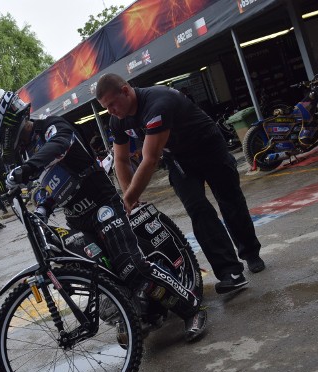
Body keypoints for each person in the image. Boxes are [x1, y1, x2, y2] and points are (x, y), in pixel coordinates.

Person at [0, 89, 206, 341]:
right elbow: (52, 184)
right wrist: (43, 210)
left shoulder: (50, 127)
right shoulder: (25, 151)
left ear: (4, 125)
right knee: (95, 281)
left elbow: (60, 145)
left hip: (103, 205)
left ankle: (191, 308)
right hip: (76, 218)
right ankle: (140, 314)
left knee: (131, 268)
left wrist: (27, 169)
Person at [95, 73, 265, 295]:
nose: (110, 111)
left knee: (229, 199)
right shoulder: (117, 120)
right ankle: (230, 272)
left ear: (126, 91)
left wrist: (126, 201)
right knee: (198, 208)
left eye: (111, 104)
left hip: (208, 146)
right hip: (178, 157)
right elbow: (121, 159)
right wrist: (131, 197)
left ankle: (250, 252)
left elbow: (150, 159)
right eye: (105, 107)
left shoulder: (158, 103)